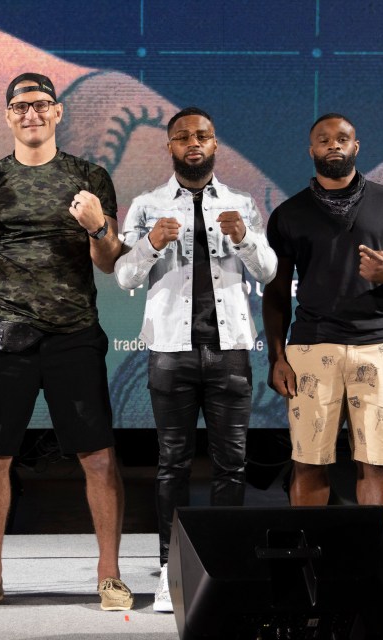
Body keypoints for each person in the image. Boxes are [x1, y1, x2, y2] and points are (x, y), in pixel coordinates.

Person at [0, 72, 132, 612]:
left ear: (57, 113)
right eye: (20, 106)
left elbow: (108, 261)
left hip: (73, 336)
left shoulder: (88, 176)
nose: (31, 113)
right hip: (5, 337)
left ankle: (110, 577)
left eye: (41, 104)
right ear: (8, 115)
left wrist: (99, 229)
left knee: (97, 457)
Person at [115, 107, 278, 612]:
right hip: (170, 351)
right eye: (182, 136)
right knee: (173, 466)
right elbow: (123, 277)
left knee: (231, 464)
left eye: (202, 136)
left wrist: (245, 238)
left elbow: (269, 271)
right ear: (169, 146)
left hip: (229, 351)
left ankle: (224, 564)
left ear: (215, 144)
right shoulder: (146, 205)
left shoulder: (241, 203)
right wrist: (148, 245)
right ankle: (171, 570)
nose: (193, 143)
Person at [262, 113, 383, 531]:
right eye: (323, 140)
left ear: (356, 147)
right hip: (311, 349)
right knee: (307, 463)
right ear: (311, 151)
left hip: (379, 346)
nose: (332, 145)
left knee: (376, 463)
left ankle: (373, 571)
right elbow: (277, 293)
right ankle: (309, 569)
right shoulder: (289, 213)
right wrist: (277, 358)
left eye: (342, 138)